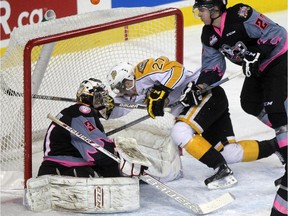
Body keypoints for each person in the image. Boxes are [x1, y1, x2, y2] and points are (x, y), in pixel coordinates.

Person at [106, 56, 279, 189]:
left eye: (127, 83)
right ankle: (279, 145)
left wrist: (162, 90)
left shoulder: (144, 70)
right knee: (230, 153)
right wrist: (97, 106)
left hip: (204, 94)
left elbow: (177, 70)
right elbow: (114, 110)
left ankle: (221, 170)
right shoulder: (130, 96)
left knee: (179, 131)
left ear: (131, 74)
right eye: (122, 88)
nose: (128, 89)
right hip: (204, 105)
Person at [192, 0, 287, 213]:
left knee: (277, 112)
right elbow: (213, 68)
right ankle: (284, 134)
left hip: (277, 59)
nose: (198, 14)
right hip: (256, 68)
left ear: (215, 8)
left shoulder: (240, 15)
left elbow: (277, 32)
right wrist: (200, 86)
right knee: (250, 103)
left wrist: (259, 51)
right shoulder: (209, 35)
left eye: (202, 9)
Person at [37, 78, 145, 178]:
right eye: (100, 97)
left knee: (111, 166)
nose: (104, 101)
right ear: (88, 97)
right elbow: (95, 149)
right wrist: (120, 157)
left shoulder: (76, 112)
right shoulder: (82, 111)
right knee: (111, 167)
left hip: (61, 166)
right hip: (60, 169)